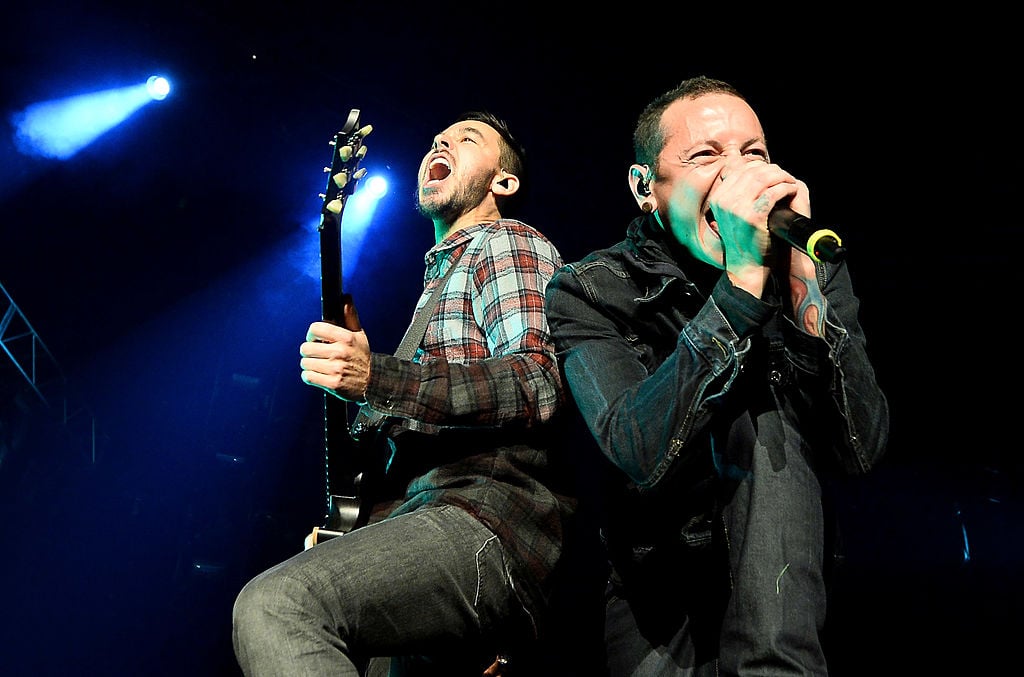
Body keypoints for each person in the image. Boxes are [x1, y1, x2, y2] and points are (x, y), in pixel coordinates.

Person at [544, 75, 890, 675]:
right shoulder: (591, 289)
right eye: (705, 155)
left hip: (784, 581)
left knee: (765, 407)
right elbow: (636, 446)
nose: (737, 173)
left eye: (753, 153)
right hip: (657, 590)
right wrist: (740, 286)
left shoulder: (811, 271)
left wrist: (802, 282)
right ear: (645, 187)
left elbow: (861, 446)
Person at [232, 110, 581, 676]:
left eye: (467, 139)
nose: (442, 141)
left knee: (280, 604)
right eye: (439, 137)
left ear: (504, 182)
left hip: (482, 517)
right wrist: (356, 523)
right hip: (423, 519)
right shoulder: (436, 289)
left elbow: (537, 382)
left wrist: (376, 377)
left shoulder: (508, 242)